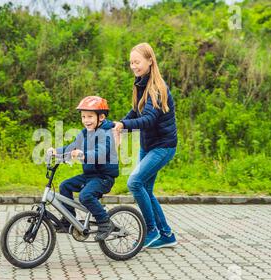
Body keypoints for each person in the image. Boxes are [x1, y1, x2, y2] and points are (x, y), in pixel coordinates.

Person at [113, 42, 178, 249]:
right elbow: (135, 112)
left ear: (150, 61)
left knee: (135, 182)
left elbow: (149, 119)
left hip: (163, 147)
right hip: (149, 145)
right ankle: (166, 235)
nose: (133, 65)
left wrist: (123, 125)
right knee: (146, 190)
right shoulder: (141, 83)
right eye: (131, 62)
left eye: (137, 61)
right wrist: (116, 126)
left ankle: (151, 231)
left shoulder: (157, 88)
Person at [47, 96, 119, 241]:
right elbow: (72, 147)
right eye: (83, 116)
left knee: (85, 196)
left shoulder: (106, 134)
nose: (86, 120)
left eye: (90, 116)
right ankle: (69, 220)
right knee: (65, 186)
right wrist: (57, 151)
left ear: (101, 117)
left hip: (103, 177)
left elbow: (100, 152)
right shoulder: (85, 133)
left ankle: (105, 223)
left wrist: (84, 155)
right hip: (90, 175)